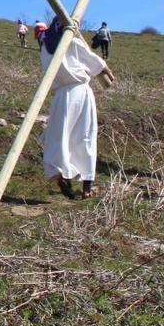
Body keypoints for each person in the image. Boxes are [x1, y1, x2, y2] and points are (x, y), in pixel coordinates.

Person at [40, 17, 115, 199]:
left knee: (60, 136)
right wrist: (107, 70)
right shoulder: (71, 42)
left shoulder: (44, 47)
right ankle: (87, 187)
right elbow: (93, 60)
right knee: (84, 136)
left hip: (60, 96)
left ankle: (61, 173)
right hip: (80, 93)